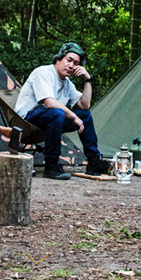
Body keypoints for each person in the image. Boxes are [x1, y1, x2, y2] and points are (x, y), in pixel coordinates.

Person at [14, 42, 110, 180]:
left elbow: (84, 106)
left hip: (49, 122)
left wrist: (88, 80)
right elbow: (50, 102)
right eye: (69, 60)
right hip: (26, 122)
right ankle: (51, 165)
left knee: (84, 115)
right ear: (58, 59)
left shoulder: (67, 84)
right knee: (57, 112)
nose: (72, 66)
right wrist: (73, 116)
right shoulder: (43, 72)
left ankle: (94, 161)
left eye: (76, 63)